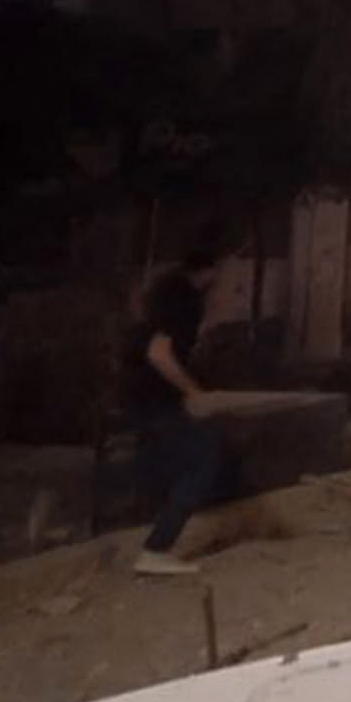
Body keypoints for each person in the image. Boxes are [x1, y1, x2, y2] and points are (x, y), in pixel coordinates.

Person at [122, 240, 229, 576]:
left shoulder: (166, 289)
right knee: (202, 460)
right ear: (213, 269)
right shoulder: (182, 299)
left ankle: (154, 532)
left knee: (175, 455)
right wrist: (193, 392)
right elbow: (158, 353)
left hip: (143, 395)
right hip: (156, 397)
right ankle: (156, 548)